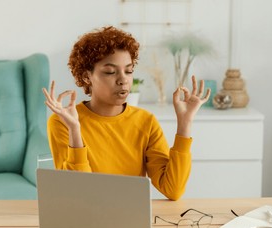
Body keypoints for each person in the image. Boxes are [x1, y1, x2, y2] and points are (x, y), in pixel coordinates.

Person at [43, 26, 210, 200]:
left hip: (133, 219)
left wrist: (185, 123)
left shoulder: (146, 121)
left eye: (129, 71)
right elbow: (79, 194)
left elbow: (173, 189)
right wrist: (75, 131)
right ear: (86, 77)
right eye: (110, 72)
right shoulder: (63, 122)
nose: (123, 80)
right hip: (86, 221)